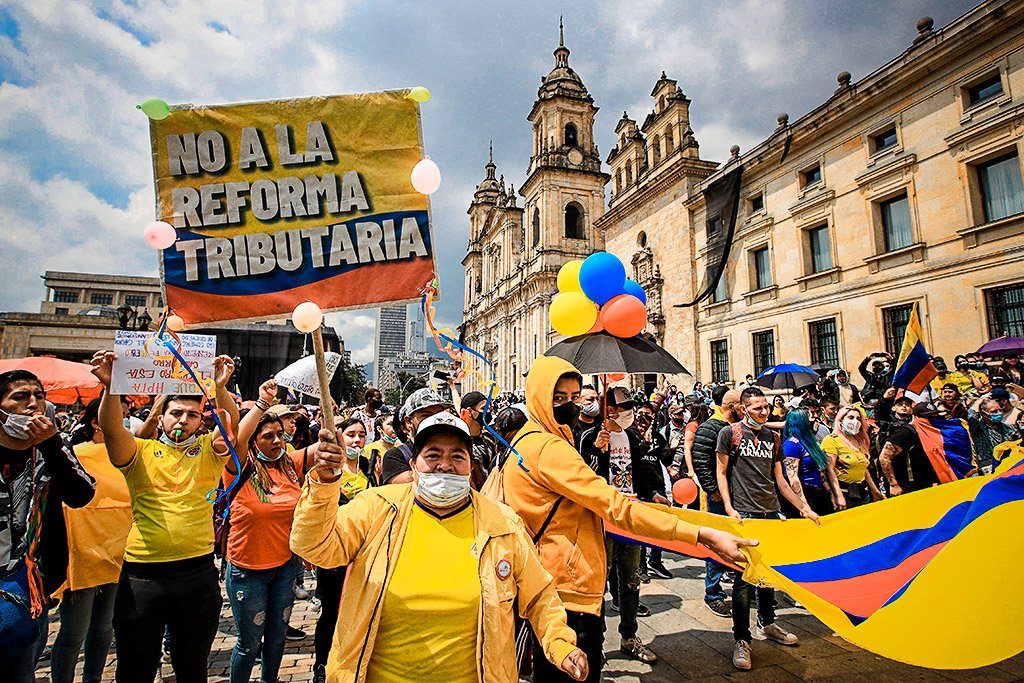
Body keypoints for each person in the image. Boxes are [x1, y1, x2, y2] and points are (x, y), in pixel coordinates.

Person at [503, 357, 754, 682]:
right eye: (558, 397)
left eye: (574, 396)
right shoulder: (549, 447)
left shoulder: (528, 438)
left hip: (548, 578)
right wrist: (701, 534)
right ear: (538, 395)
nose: (569, 405)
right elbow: (615, 506)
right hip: (566, 586)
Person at [290, 411, 589, 682]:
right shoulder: (375, 509)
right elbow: (314, 546)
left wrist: (560, 643)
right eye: (432, 454)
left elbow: (539, 596)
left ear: (471, 466)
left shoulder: (503, 523)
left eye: (457, 456)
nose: (445, 464)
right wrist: (324, 484)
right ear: (413, 464)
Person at [89, 350, 239, 683]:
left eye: (191, 415)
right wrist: (111, 386)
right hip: (142, 579)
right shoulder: (139, 451)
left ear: (202, 421)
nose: (183, 420)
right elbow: (113, 429)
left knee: (192, 666)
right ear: (161, 418)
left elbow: (233, 427)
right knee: (135, 667)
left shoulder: (208, 452)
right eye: (175, 413)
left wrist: (220, 388)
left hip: (197, 575)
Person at [716, 387, 820, 671]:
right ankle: (741, 639)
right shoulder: (730, 434)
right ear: (744, 409)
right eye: (758, 407)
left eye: (766, 407)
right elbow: (721, 472)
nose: (765, 411)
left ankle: (768, 622)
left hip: (771, 512)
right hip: (745, 514)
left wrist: (803, 508)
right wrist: (728, 506)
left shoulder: (774, 438)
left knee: (767, 576)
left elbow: (781, 479)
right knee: (742, 582)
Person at [0, 371, 95, 681]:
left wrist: (51, 446)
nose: (33, 403)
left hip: (31, 584)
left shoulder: (51, 447)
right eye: (20, 397)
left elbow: (82, 494)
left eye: (38, 396)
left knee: (21, 665)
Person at [222, 379, 314, 683]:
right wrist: (262, 402)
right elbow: (238, 437)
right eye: (268, 436)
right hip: (247, 571)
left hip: (285, 569)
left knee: (276, 640)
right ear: (253, 441)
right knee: (249, 645)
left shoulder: (291, 464)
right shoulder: (238, 466)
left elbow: (330, 444)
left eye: (280, 434)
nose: (277, 441)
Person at [50, 398, 133, 683]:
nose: (123, 422)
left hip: (116, 551)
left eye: (125, 416)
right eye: (116, 416)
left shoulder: (127, 454)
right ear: (96, 422)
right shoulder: (74, 455)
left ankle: (93, 679)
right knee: (74, 631)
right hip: (82, 553)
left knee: (103, 627)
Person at [579, 389, 663, 663]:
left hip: (629, 518)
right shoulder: (589, 438)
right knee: (598, 583)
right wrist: (595, 451)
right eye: (623, 407)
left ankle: (629, 635)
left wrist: (653, 493)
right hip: (601, 521)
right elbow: (582, 479)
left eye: (629, 406)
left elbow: (641, 471)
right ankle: (597, 641)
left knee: (631, 579)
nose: (628, 412)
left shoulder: (633, 437)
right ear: (609, 410)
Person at [310, 417, 369, 683]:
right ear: (340, 437)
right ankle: (322, 665)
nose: (356, 440)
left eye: (361, 435)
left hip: (364, 552)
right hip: (335, 552)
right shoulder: (328, 469)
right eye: (351, 435)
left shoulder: (370, 464)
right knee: (332, 611)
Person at [689, 386, 741, 618]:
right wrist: (713, 491)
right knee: (717, 543)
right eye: (742, 404)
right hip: (719, 497)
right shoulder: (711, 427)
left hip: (739, 496)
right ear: (731, 407)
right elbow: (700, 460)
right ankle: (713, 592)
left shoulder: (737, 428)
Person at [378, 388, 453, 485]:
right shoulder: (396, 456)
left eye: (438, 415)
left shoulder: (453, 451)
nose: (434, 420)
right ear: (409, 421)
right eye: (426, 416)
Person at [821, 406, 883, 508]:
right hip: (844, 493)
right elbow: (829, 470)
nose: (855, 421)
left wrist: (874, 489)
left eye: (858, 419)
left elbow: (863, 467)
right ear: (841, 420)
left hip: (862, 493)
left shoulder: (860, 442)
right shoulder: (831, 440)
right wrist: (838, 495)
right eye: (851, 417)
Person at [781, 408, 837, 516]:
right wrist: (802, 504)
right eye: (811, 418)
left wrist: (831, 493)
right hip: (806, 494)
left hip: (818, 494)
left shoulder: (810, 443)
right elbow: (792, 476)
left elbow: (820, 471)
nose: (816, 420)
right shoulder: (791, 445)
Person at [878, 400, 939, 496]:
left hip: (924, 485)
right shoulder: (906, 432)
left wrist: (934, 480)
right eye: (927, 417)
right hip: (905, 487)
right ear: (917, 418)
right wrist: (894, 485)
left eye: (934, 417)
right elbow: (884, 458)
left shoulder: (929, 434)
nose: (932, 420)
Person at [967, 397, 1021, 475]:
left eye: (1000, 410)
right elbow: (971, 417)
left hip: (1009, 463)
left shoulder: (1008, 428)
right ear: (983, 413)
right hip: (988, 466)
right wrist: (978, 402)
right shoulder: (978, 428)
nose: (999, 413)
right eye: (994, 411)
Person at [460, 390, 497, 486]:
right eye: (483, 408)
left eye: (489, 408)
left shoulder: (490, 438)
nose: (488, 412)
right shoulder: (459, 441)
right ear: (469, 411)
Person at [364, 414, 397, 485]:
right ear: (379, 429)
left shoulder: (401, 447)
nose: (395, 427)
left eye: (396, 424)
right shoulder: (369, 449)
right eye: (390, 424)